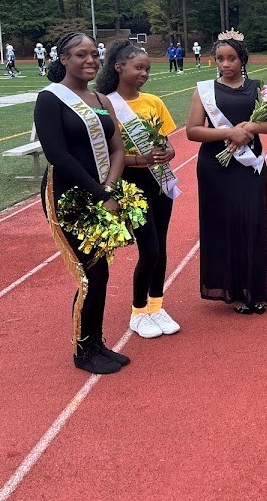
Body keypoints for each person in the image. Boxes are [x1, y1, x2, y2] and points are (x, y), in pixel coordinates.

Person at [33, 31, 127, 374]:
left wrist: (111, 187)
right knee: (90, 275)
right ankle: (83, 352)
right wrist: (100, 194)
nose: (89, 60)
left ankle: (97, 342)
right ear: (64, 60)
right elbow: (57, 154)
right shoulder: (50, 99)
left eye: (94, 54)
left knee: (101, 271)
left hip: (103, 192)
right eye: (80, 55)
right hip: (68, 195)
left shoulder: (102, 99)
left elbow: (117, 148)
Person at [186, 31, 267, 314]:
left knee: (251, 222)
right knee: (223, 224)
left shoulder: (258, 87)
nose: (225, 64)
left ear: (242, 59)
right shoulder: (204, 90)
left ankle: (255, 288)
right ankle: (232, 289)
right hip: (214, 167)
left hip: (249, 167)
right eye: (220, 58)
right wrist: (228, 132)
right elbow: (192, 130)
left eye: (231, 58)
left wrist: (251, 128)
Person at [97, 40, 182, 339]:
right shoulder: (104, 104)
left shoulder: (154, 102)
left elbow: (168, 141)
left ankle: (156, 306)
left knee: (162, 246)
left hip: (158, 180)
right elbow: (106, 155)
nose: (144, 73)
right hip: (130, 185)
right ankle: (138, 311)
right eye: (138, 67)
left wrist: (167, 152)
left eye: (147, 68)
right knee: (149, 249)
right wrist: (139, 159)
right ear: (119, 67)